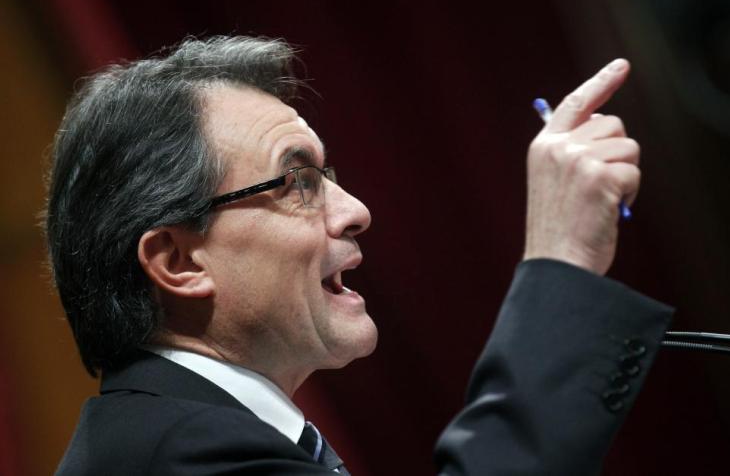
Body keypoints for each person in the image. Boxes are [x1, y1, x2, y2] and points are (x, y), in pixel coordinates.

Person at [45, 36, 673, 475]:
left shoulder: (182, 434)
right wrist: (561, 262)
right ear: (179, 263)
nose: (355, 211)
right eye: (297, 182)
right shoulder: (177, 457)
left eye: (327, 175)